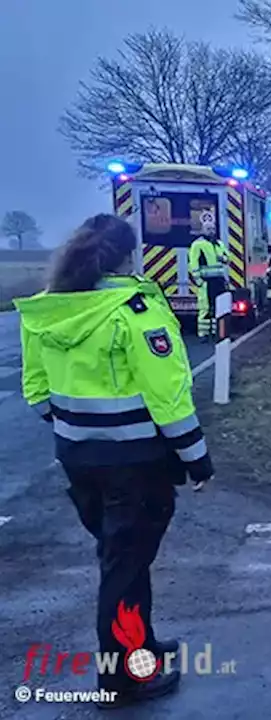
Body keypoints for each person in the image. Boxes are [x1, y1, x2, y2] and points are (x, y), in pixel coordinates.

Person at [15, 214, 213, 709]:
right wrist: (196, 459)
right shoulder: (133, 309)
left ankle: (140, 646)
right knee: (123, 567)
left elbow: (37, 391)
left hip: (79, 459)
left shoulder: (47, 311)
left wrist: (79, 429)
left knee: (125, 557)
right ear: (127, 256)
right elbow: (167, 394)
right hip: (135, 463)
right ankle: (122, 679)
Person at [186, 227, 229, 342]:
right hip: (206, 281)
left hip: (218, 280)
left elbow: (227, 258)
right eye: (208, 229)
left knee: (218, 307)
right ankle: (203, 334)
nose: (211, 231)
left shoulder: (218, 243)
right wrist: (198, 280)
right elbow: (193, 263)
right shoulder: (198, 244)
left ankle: (216, 332)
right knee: (205, 307)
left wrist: (223, 258)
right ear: (202, 230)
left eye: (212, 229)